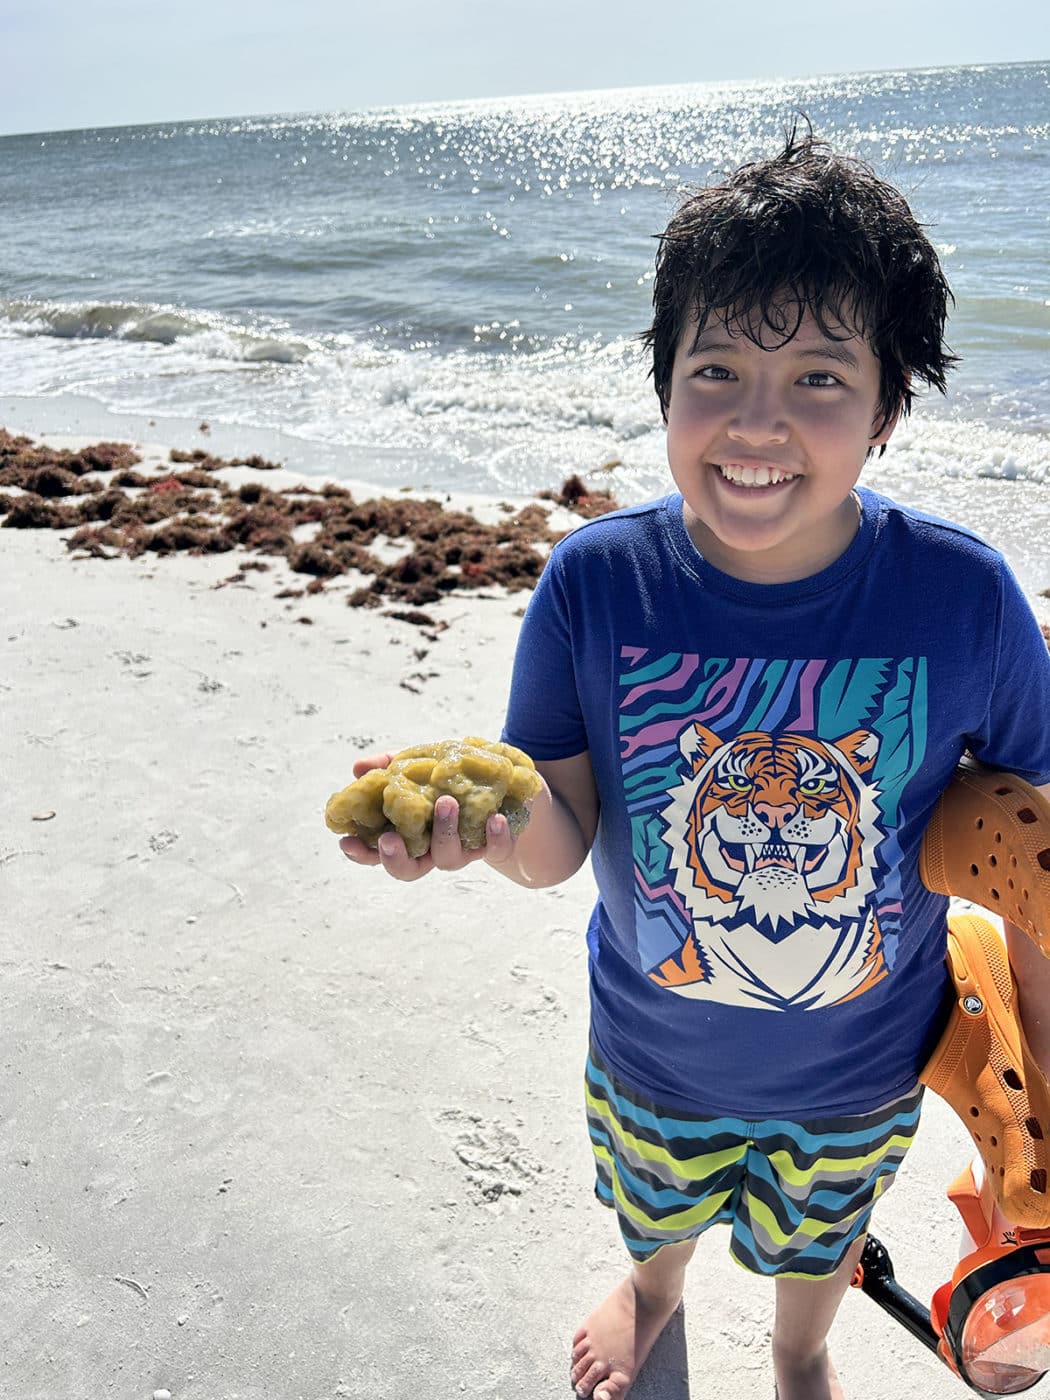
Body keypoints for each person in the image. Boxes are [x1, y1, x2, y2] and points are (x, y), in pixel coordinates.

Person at [339, 129, 1050, 1400]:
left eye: (822, 376)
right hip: (652, 1049)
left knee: (816, 1247)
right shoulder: (595, 581)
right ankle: (651, 1291)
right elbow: (561, 827)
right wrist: (489, 833)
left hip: (863, 1067)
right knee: (652, 1214)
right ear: (665, 384)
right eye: (715, 368)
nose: (758, 422)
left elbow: (1038, 871)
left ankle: (801, 1346)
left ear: (887, 407)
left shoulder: (967, 599)